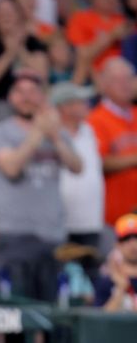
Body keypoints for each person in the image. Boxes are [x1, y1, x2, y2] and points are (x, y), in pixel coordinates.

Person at [0, 70, 82, 301]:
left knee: (55, 317)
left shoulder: (56, 132)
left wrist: (56, 137)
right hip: (14, 236)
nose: (26, 97)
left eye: (32, 92)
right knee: (16, 317)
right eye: (20, 92)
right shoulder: (0, 132)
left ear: (43, 97)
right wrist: (38, 132)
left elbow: (77, 166)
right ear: (10, 97)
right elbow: (11, 167)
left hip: (52, 234)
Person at [52, 82, 104, 249]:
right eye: (80, 101)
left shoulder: (89, 130)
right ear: (65, 107)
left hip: (91, 221)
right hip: (59, 223)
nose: (87, 105)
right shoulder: (50, 134)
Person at [87, 57, 137, 227]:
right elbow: (97, 162)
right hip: (114, 219)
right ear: (104, 84)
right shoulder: (95, 119)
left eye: (129, 78)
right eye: (118, 80)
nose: (125, 84)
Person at [66, 0, 129, 81]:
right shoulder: (80, 19)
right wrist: (111, 36)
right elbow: (82, 55)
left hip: (125, 76)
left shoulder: (124, 21)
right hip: (93, 78)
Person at [96, 213, 137, 311]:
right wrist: (120, 289)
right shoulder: (106, 282)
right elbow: (100, 321)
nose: (133, 244)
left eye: (136, 237)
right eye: (126, 239)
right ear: (117, 244)